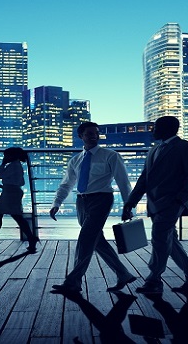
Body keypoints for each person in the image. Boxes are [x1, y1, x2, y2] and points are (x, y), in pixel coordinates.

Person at [122, 116, 188, 295]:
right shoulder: (154, 150)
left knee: (159, 239)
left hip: (172, 203)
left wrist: (180, 200)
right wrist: (131, 201)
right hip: (155, 204)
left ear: (168, 129)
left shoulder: (185, 147)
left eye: (156, 127)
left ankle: (153, 279)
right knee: (170, 241)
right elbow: (144, 179)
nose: (153, 131)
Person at [50, 122, 138, 293]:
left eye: (96, 133)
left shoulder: (110, 155)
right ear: (80, 136)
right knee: (97, 241)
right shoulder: (75, 160)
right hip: (81, 201)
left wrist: (129, 207)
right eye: (89, 133)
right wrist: (56, 203)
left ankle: (73, 282)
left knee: (85, 239)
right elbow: (66, 184)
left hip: (102, 199)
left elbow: (123, 183)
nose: (94, 136)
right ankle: (123, 274)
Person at [0, 147, 39, 253]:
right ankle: (31, 238)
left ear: (12, 155)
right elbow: (20, 182)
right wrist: (5, 186)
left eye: (6, 155)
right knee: (12, 216)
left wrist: (3, 164)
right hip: (11, 192)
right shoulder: (17, 165)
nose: (5, 157)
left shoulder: (13, 166)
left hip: (10, 193)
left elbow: (0, 175)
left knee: (7, 216)